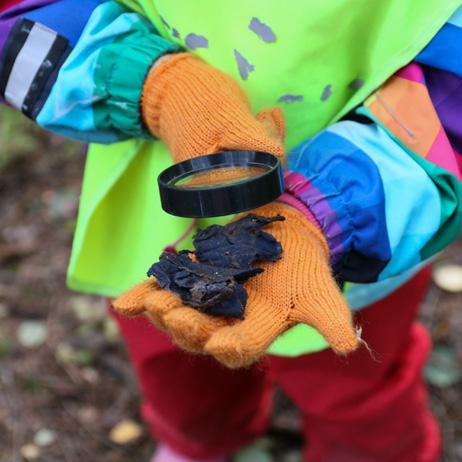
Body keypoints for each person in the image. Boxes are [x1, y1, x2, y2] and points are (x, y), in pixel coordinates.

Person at [1, 1, 462, 461]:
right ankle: (197, 441)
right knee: (177, 368)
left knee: (355, 394)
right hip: (154, 214)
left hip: (364, 220)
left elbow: (450, 108)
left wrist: (328, 214)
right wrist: (152, 81)